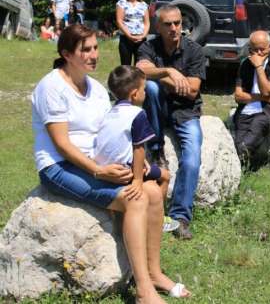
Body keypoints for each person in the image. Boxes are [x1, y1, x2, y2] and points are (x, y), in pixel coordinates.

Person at [31, 24, 191, 303]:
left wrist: (128, 163)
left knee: (153, 192)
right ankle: (143, 291)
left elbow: (112, 130)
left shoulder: (94, 87)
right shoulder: (51, 86)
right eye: (86, 50)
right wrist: (97, 170)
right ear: (67, 54)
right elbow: (62, 144)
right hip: (59, 166)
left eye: (95, 48)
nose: (94, 55)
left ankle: (154, 272)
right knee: (135, 199)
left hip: (96, 161)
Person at [136, 5, 205, 240]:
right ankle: (156, 149)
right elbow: (140, 72)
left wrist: (160, 74)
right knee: (151, 88)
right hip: (160, 110)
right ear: (158, 26)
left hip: (186, 112)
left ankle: (180, 217)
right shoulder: (148, 46)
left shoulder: (194, 50)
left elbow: (193, 91)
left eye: (178, 23)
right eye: (168, 24)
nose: (175, 28)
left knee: (192, 156)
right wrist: (170, 72)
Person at [92, 65, 179, 233]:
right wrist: (138, 180)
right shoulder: (137, 114)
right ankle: (157, 219)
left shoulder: (109, 113)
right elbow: (139, 149)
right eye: (144, 89)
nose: (145, 94)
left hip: (106, 168)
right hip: (126, 171)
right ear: (134, 93)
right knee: (165, 176)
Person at [234, 30, 270, 165]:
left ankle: (238, 169)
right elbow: (239, 97)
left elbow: (266, 90)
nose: (258, 53)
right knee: (238, 145)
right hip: (245, 111)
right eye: (254, 49)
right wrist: (263, 98)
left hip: (267, 112)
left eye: (262, 49)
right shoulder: (245, 64)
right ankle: (240, 169)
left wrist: (258, 66)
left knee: (244, 146)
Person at [116, 0, 150, 65]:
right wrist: (130, 36)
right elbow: (119, 21)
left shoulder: (143, 4)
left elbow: (147, 22)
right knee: (126, 65)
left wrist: (143, 36)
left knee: (140, 64)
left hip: (140, 38)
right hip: (126, 38)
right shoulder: (122, 3)